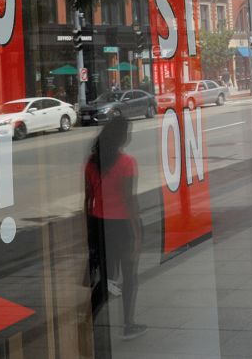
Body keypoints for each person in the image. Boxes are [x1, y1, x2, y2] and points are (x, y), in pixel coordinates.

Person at [85, 116, 146, 344]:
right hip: (123, 226)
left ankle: (87, 320)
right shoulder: (127, 163)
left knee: (108, 279)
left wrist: (88, 229)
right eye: (127, 132)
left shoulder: (92, 163)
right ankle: (128, 324)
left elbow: (87, 199)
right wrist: (137, 232)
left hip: (101, 224)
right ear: (120, 136)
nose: (129, 135)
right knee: (129, 276)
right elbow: (129, 200)